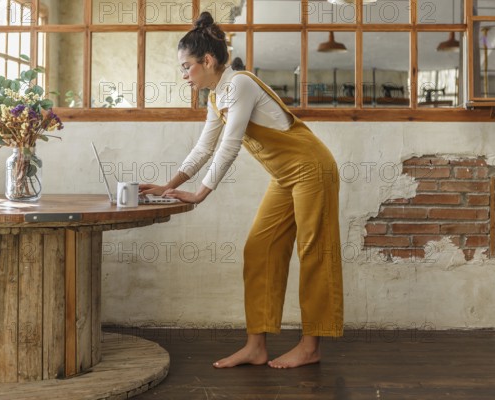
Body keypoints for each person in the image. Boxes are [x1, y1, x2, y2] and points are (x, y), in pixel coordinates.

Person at [139, 11, 343, 369]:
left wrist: (200, 193)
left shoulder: (241, 85)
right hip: (285, 176)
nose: (184, 75)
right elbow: (204, 147)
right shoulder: (216, 96)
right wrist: (169, 185)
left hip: (312, 168)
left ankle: (311, 346)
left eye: (187, 67)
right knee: (260, 248)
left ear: (208, 60)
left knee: (315, 251)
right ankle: (256, 345)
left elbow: (229, 145)